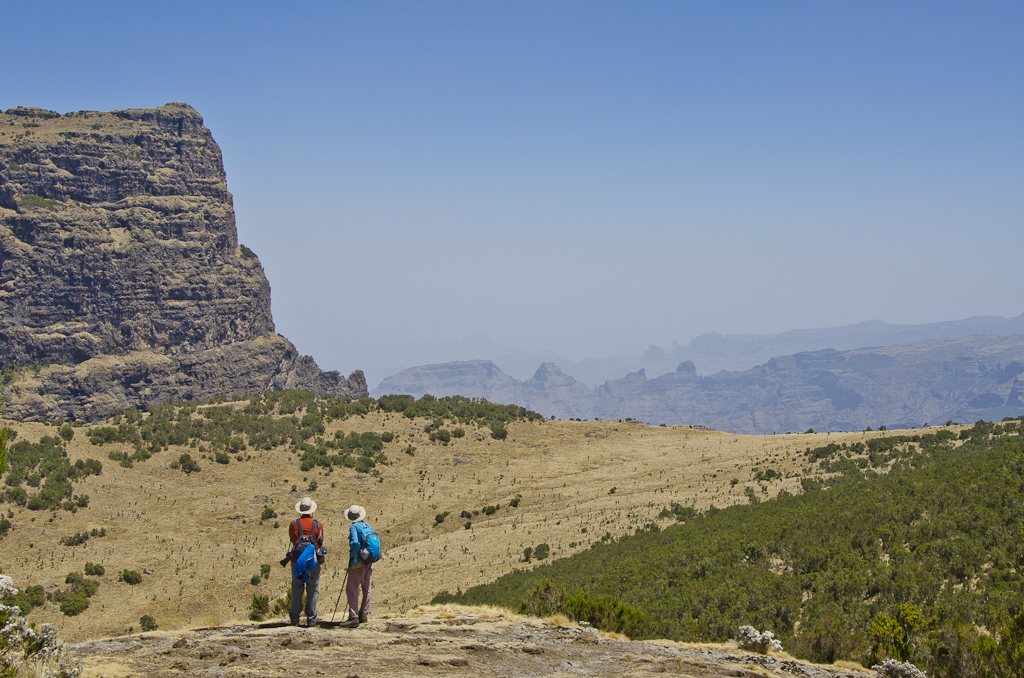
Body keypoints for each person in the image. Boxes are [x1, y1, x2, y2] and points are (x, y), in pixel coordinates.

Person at [286, 496, 324, 627]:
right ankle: (311, 618)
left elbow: (292, 539)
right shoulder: (317, 524)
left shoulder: (294, 524)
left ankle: (295, 618)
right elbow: (320, 541)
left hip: (297, 560)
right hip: (313, 560)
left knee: (297, 588)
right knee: (313, 589)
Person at [341, 504, 374, 626]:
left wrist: (352, 554)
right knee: (366, 587)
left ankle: (353, 617)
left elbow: (355, 542)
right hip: (368, 560)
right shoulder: (367, 525)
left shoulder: (354, 527)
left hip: (357, 561)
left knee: (352, 588)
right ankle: (364, 613)